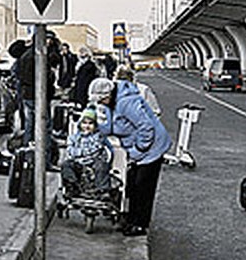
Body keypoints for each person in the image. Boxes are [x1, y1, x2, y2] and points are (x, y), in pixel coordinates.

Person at [90, 76, 171, 237]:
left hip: (152, 147)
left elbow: (146, 127)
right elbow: (113, 125)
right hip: (138, 147)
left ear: (108, 96)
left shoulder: (126, 102)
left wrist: (137, 150)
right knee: (132, 184)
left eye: (101, 100)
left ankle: (140, 224)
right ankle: (132, 217)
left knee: (143, 186)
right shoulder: (112, 102)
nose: (100, 104)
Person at [60, 107, 112, 198]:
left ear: (95, 125)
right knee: (66, 165)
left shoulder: (98, 137)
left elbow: (95, 150)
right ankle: (72, 187)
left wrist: (80, 153)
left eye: (90, 123)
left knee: (102, 165)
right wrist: (81, 154)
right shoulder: (74, 138)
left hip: (93, 162)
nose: (87, 126)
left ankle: (102, 190)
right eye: (84, 123)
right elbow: (70, 151)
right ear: (80, 124)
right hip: (79, 163)